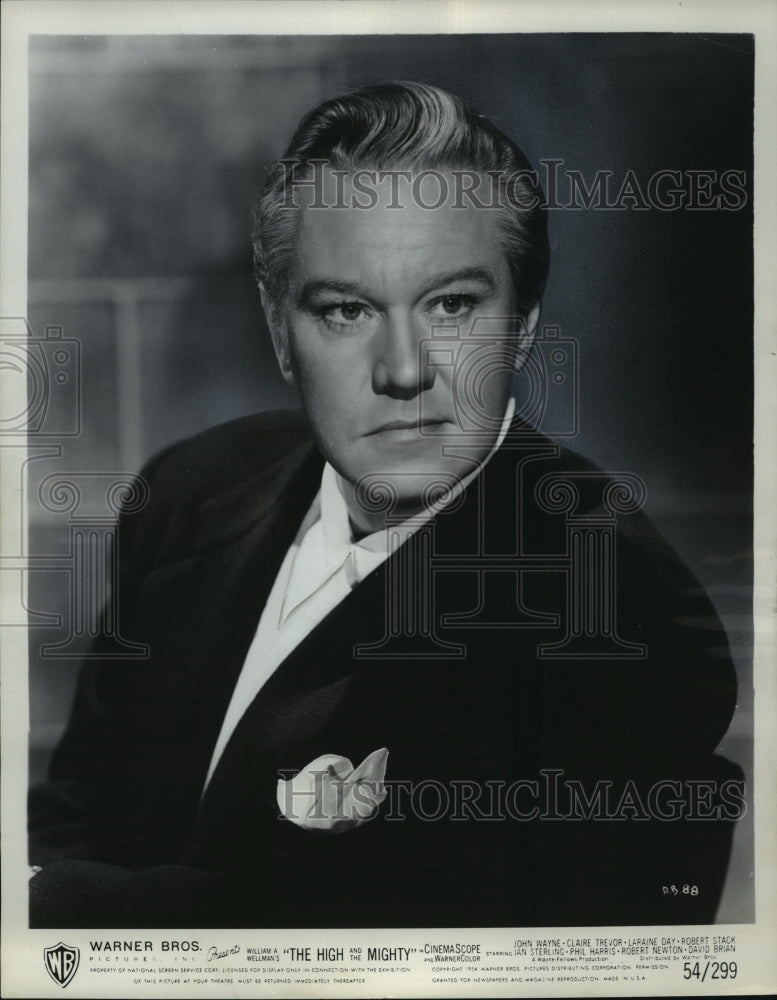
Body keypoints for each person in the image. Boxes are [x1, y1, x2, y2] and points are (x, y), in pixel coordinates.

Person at [29, 82, 741, 928]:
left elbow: (399, 946)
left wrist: (47, 900)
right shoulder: (191, 489)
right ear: (277, 330)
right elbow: (76, 813)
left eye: (451, 305)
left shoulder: (621, 612)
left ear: (522, 323)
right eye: (346, 310)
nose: (403, 370)